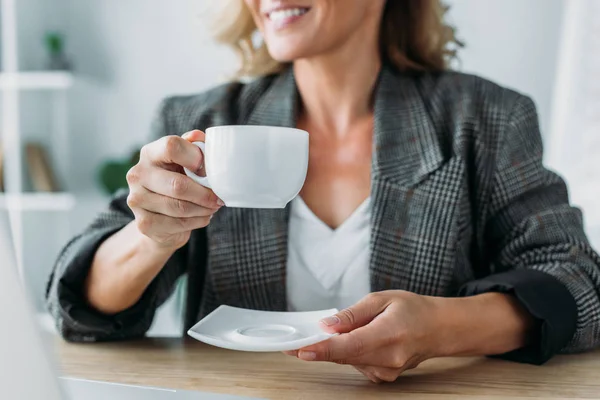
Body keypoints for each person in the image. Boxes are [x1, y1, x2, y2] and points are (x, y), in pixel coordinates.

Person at [47, 0, 600, 383]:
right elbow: (78, 308)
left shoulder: (484, 119)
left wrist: (444, 328)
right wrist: (151, 236)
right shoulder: (201, 122)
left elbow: (580, 283)